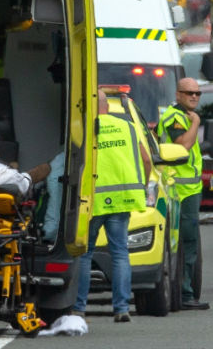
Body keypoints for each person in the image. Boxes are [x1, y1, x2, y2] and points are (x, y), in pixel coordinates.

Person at [72, 90, 151, 322]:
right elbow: (146, 160)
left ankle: (78, 307)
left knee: (85, 255)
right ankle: (121, 308)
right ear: (107, 106)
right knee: (120, 253)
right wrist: (142, 187)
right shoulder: (127, 127)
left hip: (92, 201)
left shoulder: (85, 130)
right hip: (122, 199)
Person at [157, 77, 210, 310]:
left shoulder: (183, 116)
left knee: (188, 243)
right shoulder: (176, 117)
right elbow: (182, 146)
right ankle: (186, 294)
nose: (194, 97)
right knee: (186, 243)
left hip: (189, 189)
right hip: (179, 190)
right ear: (177, 94)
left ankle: (185, 292)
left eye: (197, 93)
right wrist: (196, 123)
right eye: (189, 93)